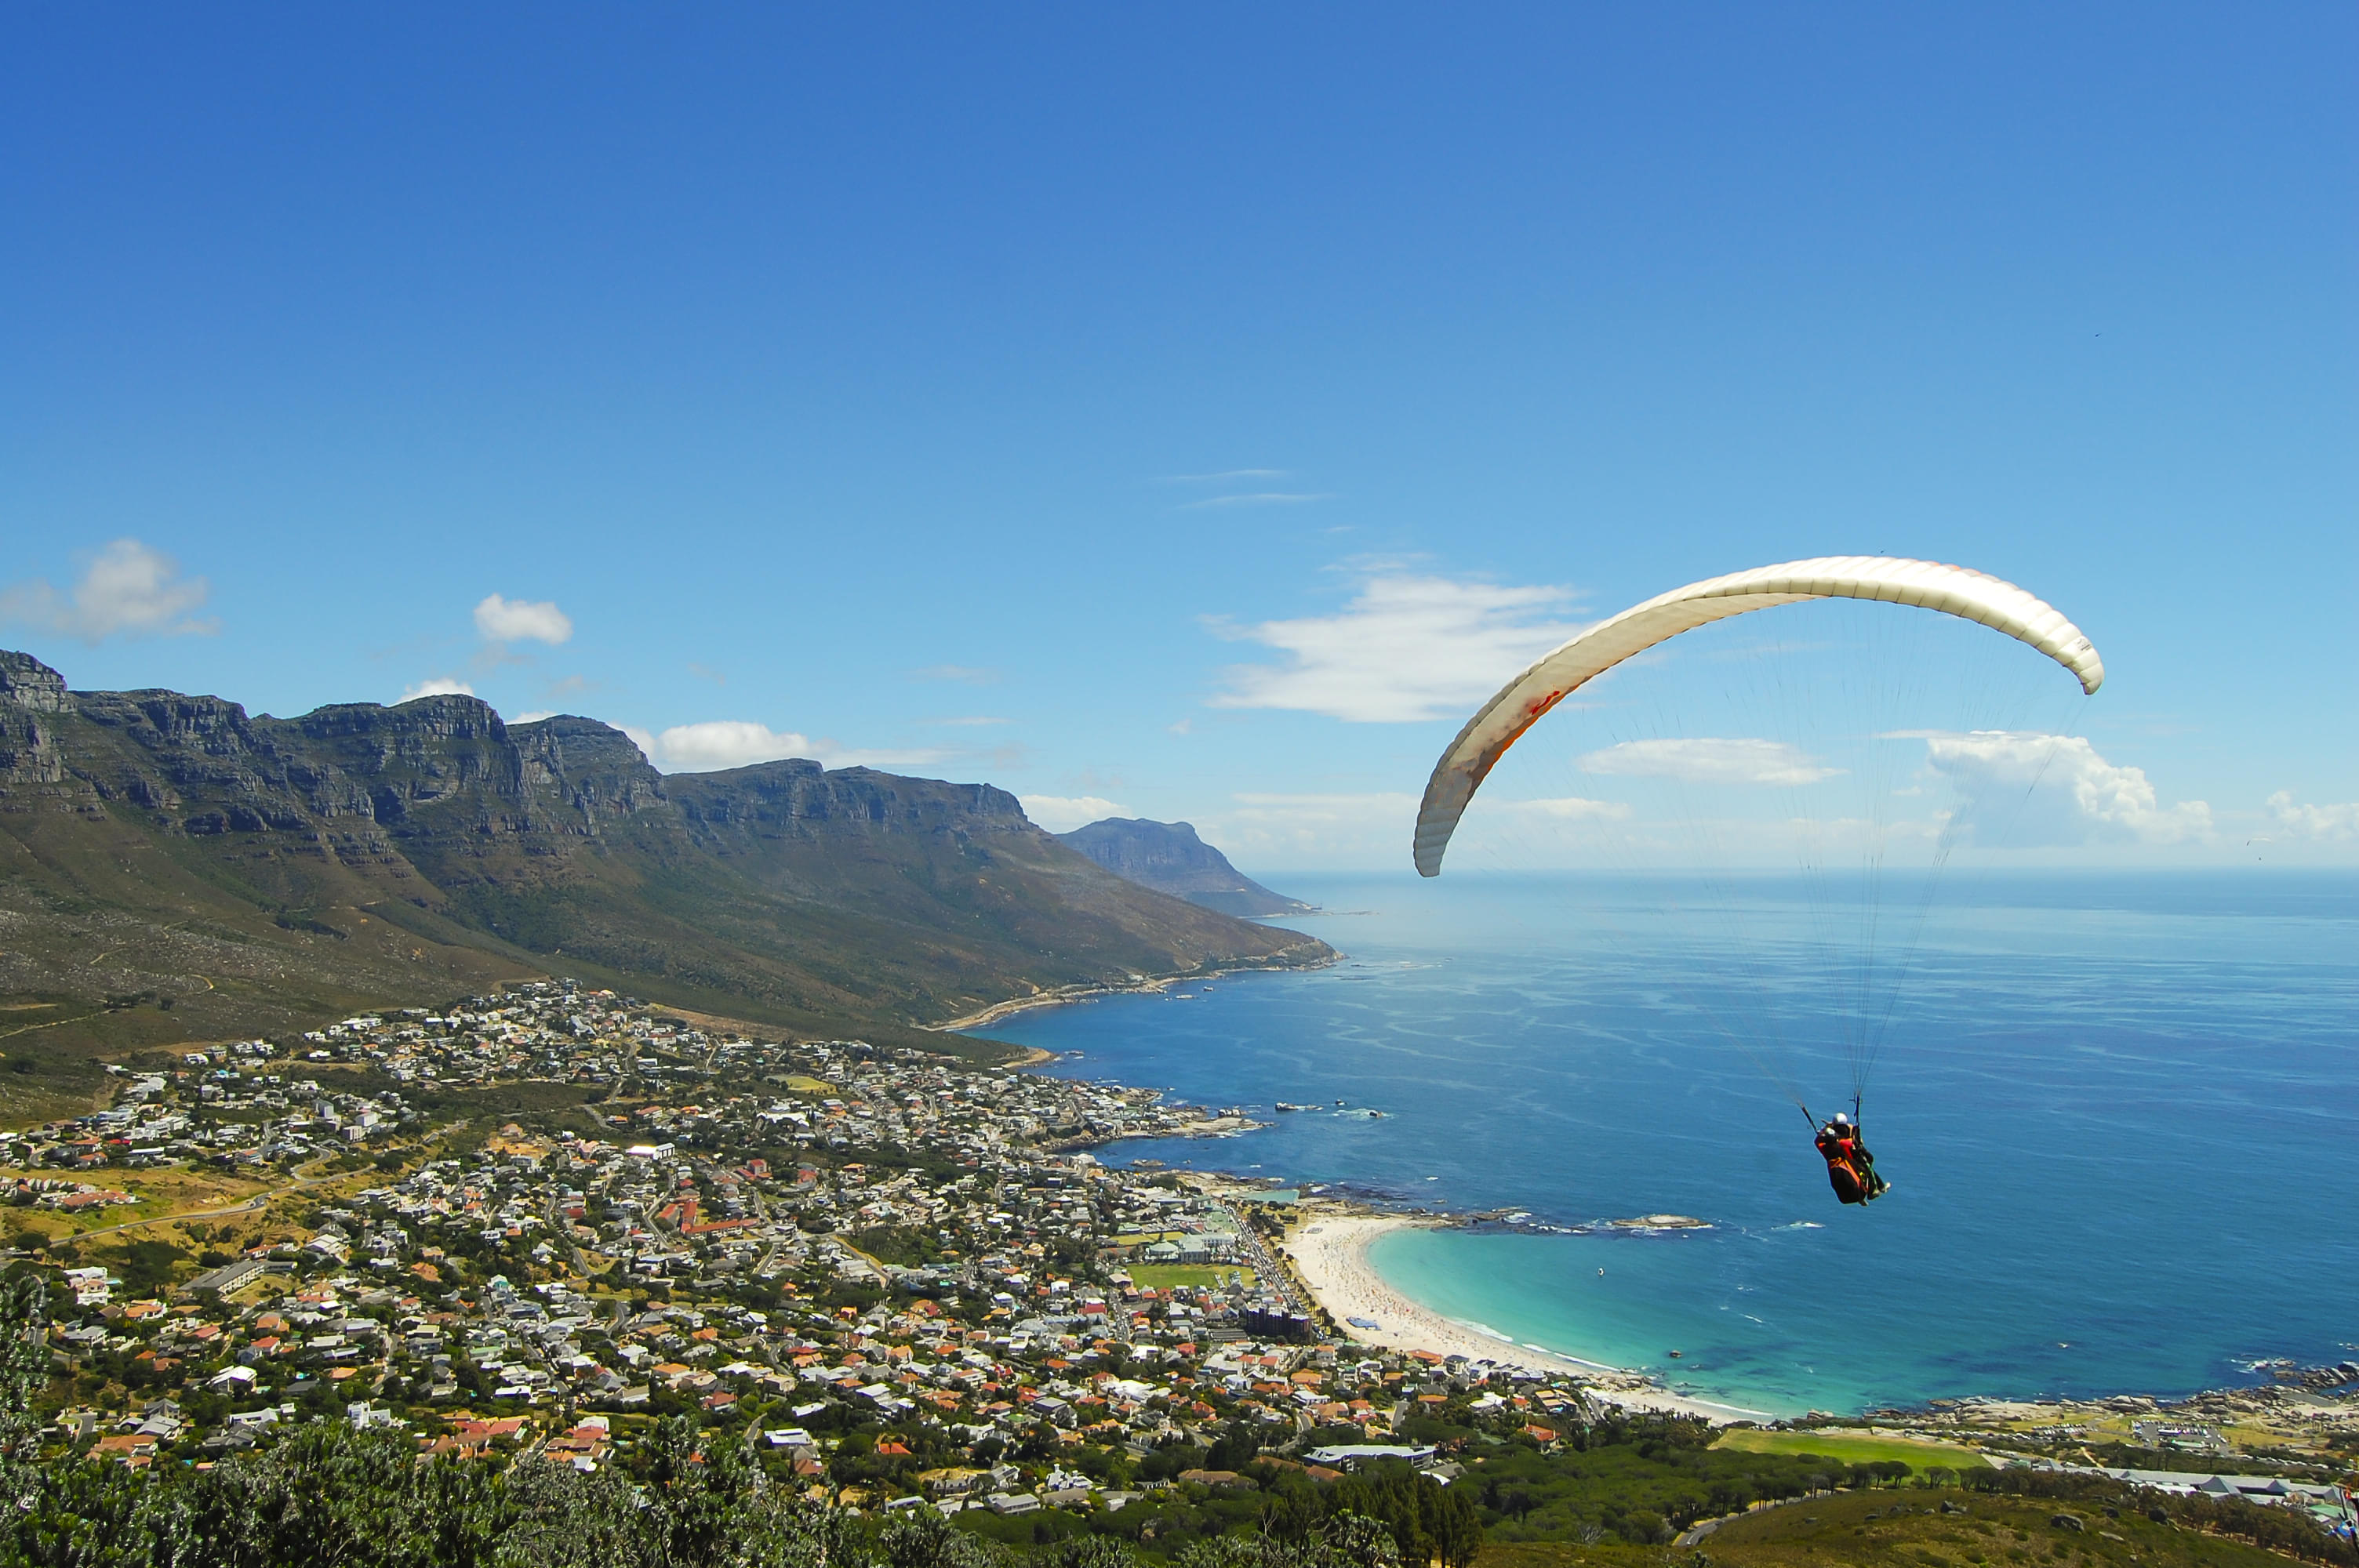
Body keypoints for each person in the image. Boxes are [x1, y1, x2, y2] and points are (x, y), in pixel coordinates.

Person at [1815, 1111, 1889, 1205]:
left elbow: (1817, 1141)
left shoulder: (1824, 1148)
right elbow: (1853, 1140)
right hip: (1847, 1162)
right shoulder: (1842, 1143)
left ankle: (1861, 1197)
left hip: (1833, 1168)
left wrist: (1824, 1131)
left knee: (1847, 1182)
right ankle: (1873, 1191)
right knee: (1866, 1171)